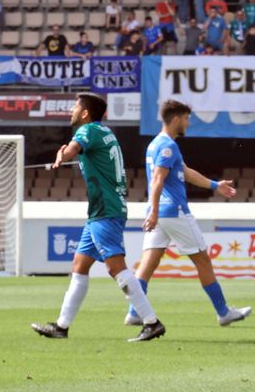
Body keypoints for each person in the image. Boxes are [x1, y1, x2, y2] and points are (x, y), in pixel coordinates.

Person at [31, 94, 166, 342]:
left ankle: (151, 322)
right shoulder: (105, 133)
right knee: (80, 265)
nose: (71, 111)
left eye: (75, 107)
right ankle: (61, 326)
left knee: (116, 268)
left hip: (105, 209)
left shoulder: (88, 130)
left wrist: (64, 154)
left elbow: (74, 148)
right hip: (103, 209)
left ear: (85, 113)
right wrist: (66, 152)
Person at [129, 100, 252, 327]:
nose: (188, 123)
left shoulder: (155, 144)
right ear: (176, 119)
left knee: (148, 263)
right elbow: (157, 179)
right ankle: (223, 312)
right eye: (186, 118)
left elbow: (185, 172)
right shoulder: (168, 146)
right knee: (203, 260)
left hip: (159, 213)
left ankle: (135, 312)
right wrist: (154, 211)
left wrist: (215, 185)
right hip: (174, 212)